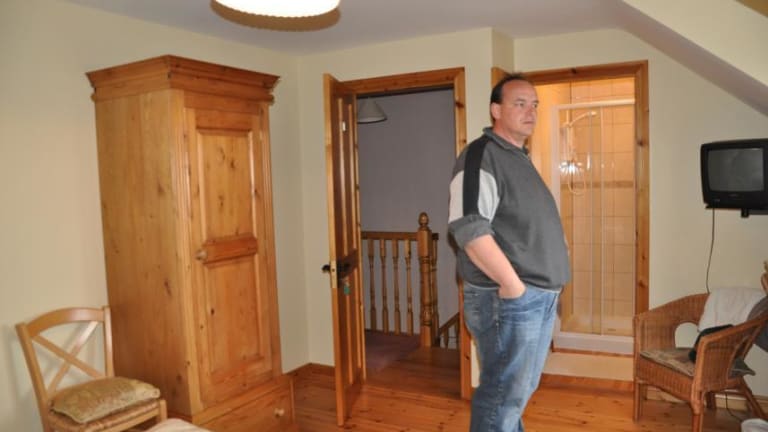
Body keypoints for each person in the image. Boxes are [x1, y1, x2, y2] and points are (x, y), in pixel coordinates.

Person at [448, 73, 570, 432]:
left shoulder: (517, 157)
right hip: (509, 299)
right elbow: (469, 227)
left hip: (535, 295)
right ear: (496, 110)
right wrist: (513, 286)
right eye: (520, 103)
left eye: (535, 105)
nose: (531, 112)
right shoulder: (481, 155)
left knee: (516, 393)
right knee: (504, 394)